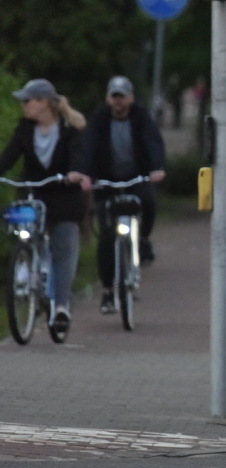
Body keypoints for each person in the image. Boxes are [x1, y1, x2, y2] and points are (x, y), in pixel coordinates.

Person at [0, 78, 92, 336]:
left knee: (63, 251)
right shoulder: (24, 130)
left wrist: (75, 172)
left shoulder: (69, 130)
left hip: (63, 198)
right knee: (22, 232)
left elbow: (79, 155)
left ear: (43, 103)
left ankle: (61, 307)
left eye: (28, 101)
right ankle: (25, 268)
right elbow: (8, 157)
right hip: (33, 194)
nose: (24, 106)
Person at [81, 75, 166, 314]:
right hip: (106, 181)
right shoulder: (99, 120)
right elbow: (88, 147)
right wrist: (86, 175)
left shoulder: (141, 118)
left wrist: (156, 167)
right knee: (106, 236)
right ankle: (108, 290)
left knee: (147, 201)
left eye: (122, 96)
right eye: (114, 96)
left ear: (131, 98)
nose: (118, 102)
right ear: (108, 98)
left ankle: (144, 240)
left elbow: (153, 142)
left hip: (135, 177)